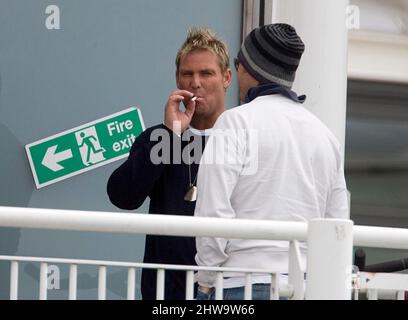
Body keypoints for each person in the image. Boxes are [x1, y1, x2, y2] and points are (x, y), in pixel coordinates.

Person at [194, 23, 349, 300]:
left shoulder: (234, 122)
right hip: (305, 285)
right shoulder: (326, 137)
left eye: (237, 63)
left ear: (249, 69)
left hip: (240, 283)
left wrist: (205, 283)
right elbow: (336, 225)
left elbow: (213, 214)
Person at [107, 27, 232, 300]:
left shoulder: (242, 140)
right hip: (165, 292)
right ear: (177, 79)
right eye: (187, 74)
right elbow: (122, 196)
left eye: (206, 73)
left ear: (226, 78)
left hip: (230, 289)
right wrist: (170, 134)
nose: (195, 83)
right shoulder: (159, 137)